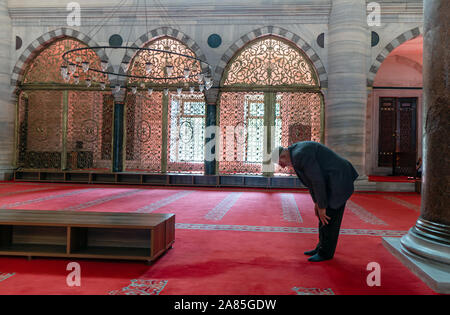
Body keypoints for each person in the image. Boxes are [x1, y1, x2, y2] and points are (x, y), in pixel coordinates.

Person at [272, 141, 359, 262]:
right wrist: (317, 203)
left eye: (281, 164)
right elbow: (310, 182)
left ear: (283, 156)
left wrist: (322, 206)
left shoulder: (300, 155)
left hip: (339, 179)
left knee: (329, 215)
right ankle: (320, 248)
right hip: (329, 180)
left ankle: (326, 253)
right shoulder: (294, 154)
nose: (282, 167)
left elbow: (317, 181)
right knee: (322, 215)